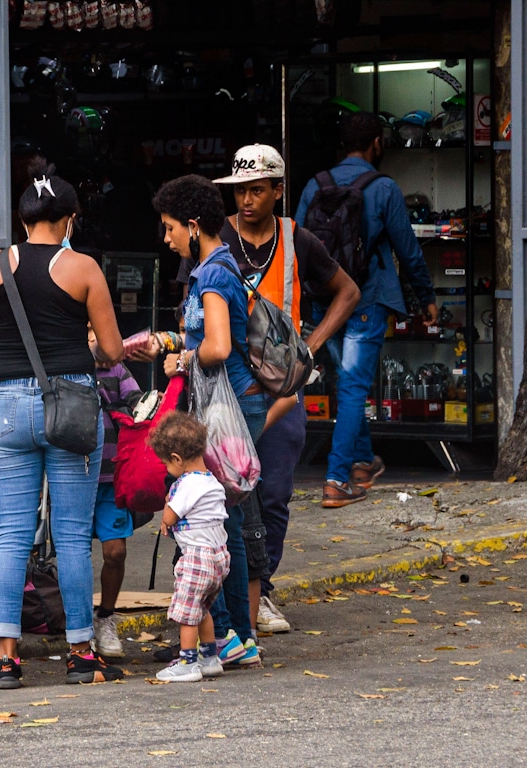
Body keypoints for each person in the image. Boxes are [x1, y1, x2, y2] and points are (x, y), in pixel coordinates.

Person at [0, 165, 126, 689]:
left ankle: (7, 659)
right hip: (70, 403)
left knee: (11, 534)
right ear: (69, 218)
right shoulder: (83, 268)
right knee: (72, 536)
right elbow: (112, 350)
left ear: (22, 219)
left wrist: (5, 337)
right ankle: (81, 654)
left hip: (6, 407)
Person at [186, 144, 361, 634]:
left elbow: (348, 291)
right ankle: (223, 601)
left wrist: (310, 347)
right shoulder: (214, 236)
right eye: (240, 190)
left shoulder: (297, 238)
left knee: (275, 492)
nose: (247, 200)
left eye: (257, 190)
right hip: (224, 389)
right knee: (220, 496)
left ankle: (262, 590)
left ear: (278, 191)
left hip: (280, 388)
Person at [296, 113, 438, 509]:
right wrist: (425, 296)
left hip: (325, 303)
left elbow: (297, 248)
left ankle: (361, 464)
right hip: (366, 299)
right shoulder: (384, 188)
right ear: (377, 143)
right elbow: (407, 249)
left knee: (346, 382)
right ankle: (336, 479)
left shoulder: (315, 185)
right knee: (355, 386)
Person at [154, 174, 265, 669]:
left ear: (194, 225)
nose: (167, 238)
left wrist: (183, 359)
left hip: (228, 410)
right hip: (230, 406)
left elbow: (217, 347)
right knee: (228, 520)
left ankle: (225, 636)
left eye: (170, 227)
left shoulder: (214, 275)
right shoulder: (218, 268)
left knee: (214, 523)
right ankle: (237, 637)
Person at [149, 411, 230, 682]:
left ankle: (187, 662)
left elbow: (170, 516)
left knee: (187, 614)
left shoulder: (188, 484)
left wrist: (165, 515)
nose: (167, 469)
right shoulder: (211, 480)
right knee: (202, 608)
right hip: (219, 557)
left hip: (197, 558)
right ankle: (210, 658)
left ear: (177, 459)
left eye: (166, 463)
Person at [88, 327, 143, 657]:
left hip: (112, 477)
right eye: (86, 331)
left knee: (116, 552)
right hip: (74, 477)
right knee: (76, 553)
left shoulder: (116, 369)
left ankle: (105, 617)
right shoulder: (60, 367)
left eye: (95, 330)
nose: (91, 337)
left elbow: (137, 402)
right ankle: (80, 622)